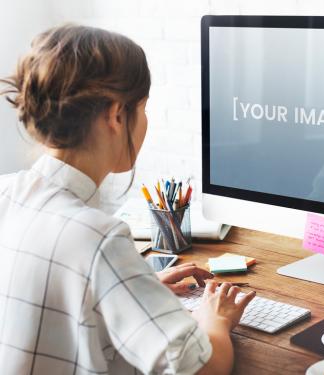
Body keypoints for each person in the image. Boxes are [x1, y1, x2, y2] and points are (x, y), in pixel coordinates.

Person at [0, 24, 255, 375]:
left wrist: (135, 289)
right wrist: (216, 319)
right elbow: (204, 368)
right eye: (144, 107)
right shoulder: (98, 238)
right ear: (116, 115)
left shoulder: (6, 194)